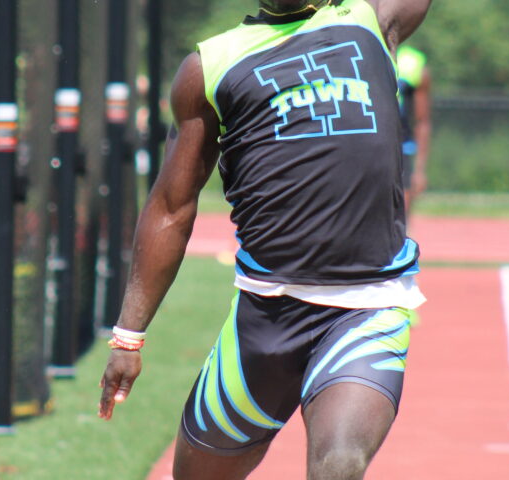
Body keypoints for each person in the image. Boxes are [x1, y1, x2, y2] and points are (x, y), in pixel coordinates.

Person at [99, 1, 431, 479]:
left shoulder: (369, 19)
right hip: (263, 319)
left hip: (366, 309)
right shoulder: (211, 66)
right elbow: (172, 207)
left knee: (338, 465)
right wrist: (128, 338)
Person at [397, 44, 431, 216]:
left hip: (402, 147)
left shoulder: (412, 63)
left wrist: (419, 170)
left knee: (401, 217)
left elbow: (422, 121)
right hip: (368, 144)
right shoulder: (362, 50)